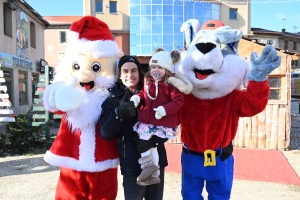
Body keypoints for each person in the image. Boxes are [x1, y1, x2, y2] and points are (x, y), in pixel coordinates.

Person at [99, 55, 168, 200]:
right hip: (131, 165)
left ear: (139, 72)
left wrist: (155, 141)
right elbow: (105, 133)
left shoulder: (154, 92)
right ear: (119, 75)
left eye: (134, 70)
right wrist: (118, 114)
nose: (130, 75)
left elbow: (170, 122)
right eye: (125, 71)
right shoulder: (111, 100)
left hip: (156, 161)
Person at [130, 49, 185, 185]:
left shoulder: (170, 85)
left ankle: (151, 170)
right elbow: (143, 93)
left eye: (160, 67)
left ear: (166, 69)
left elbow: (178, 101)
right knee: (145, 144)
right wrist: (137, 98)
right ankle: (151, 171)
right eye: (153, 67)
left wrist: (164, 110)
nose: (156, 70)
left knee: (150, 145)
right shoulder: (148, 82)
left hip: (162, 122)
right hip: (147, 122)